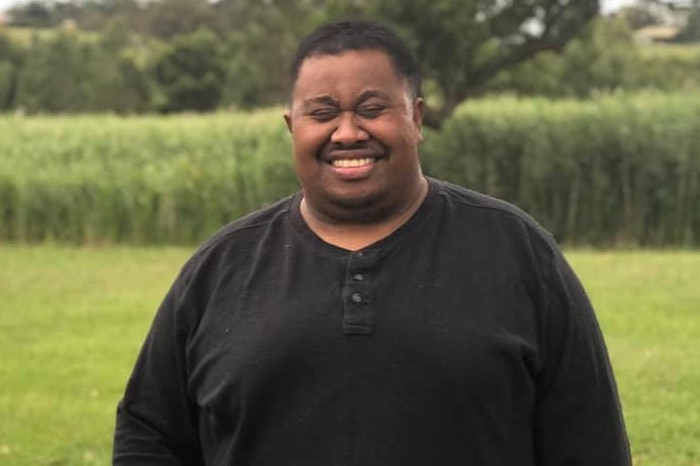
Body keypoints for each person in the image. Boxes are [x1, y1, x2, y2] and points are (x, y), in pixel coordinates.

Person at [113, 19, 631, 466]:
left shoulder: (518, 253)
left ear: (417, 118)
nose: (347, 133)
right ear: (292, 128)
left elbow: (589, 440)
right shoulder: (221, 268)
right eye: (321, 114)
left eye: (371, 107)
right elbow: (150, 437)